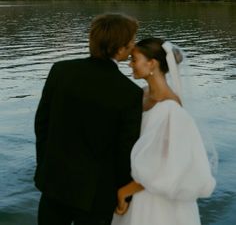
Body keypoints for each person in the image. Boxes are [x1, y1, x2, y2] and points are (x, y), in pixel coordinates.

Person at [34, 13, 143, 225]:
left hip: (53, 183)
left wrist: (44, 167)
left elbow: (42, 125)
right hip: (96, 194)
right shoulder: (130, 93)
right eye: (131, 42)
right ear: (119, 48)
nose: (133, 47)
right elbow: (125, 150)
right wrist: (125, 194)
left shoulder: (60, 70)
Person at [112, 38, 216, 225]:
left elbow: (164, 167)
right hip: (136, 192)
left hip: (155, 202)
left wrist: (123, 192)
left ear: (151, 63)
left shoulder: (171, 110)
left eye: (135, 59)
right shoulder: (142, 95)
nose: (130, 64)